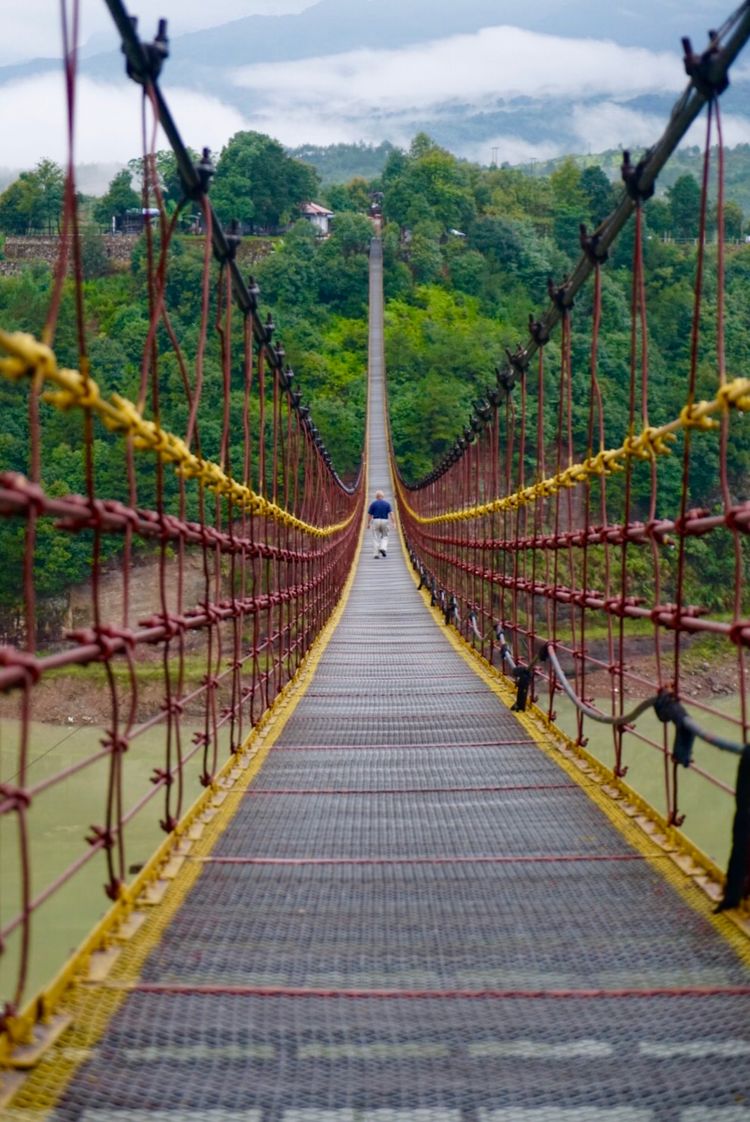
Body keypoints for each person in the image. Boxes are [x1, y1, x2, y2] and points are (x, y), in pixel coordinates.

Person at [367, 489, 394, 558]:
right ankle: (383, 548)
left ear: (376, 497)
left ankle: (376, 554)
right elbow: (391, 514)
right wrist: (394, 523)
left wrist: (368, 523)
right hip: (385, 520)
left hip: (375, 520)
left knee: (375, 537)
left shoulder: (373, 504)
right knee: (385, 536)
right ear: (383, 496)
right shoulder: (387, 504)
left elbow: (370, 515)